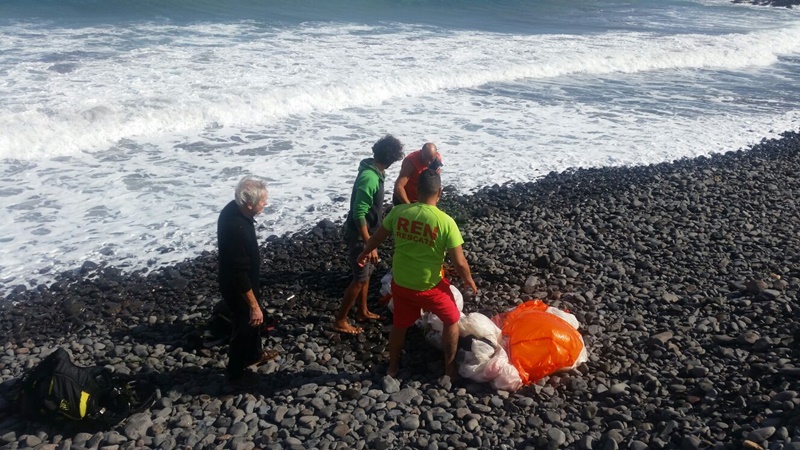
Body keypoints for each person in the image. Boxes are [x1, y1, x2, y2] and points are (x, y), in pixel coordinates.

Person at [358, 169, 478, 377]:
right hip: (429, 288)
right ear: (439, 192)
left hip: (401, 284)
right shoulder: (446, 222)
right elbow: (459, 262)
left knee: (400, 325)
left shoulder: (399, 212)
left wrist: (364, 253)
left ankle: (392, 367)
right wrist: (468, 280)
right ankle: (449, 368)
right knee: (451, 319)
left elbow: (376, 239)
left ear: (416, 189)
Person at [334, 135, 405, 335]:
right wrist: (369, 245)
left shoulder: (375, 172)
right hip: (360, 236)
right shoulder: (370, 177)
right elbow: (358, 213)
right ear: (391, 159)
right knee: (359, 279)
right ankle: (340, 320)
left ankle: (362, 311)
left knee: (367, 275)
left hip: (369, 234)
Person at [217, 177, 279, 389]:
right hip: (238, 286)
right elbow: (239, 273)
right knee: (246, 323)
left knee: (256, 321)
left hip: (245, 280)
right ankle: (234, 374)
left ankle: (255, 354)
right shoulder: (237, 229)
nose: (266, 204)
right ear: (249, 204)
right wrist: (253, 305)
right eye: (263, 201)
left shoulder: (235, 210)